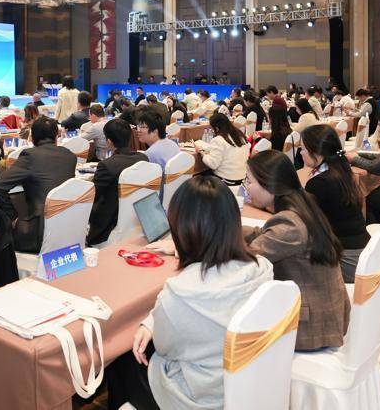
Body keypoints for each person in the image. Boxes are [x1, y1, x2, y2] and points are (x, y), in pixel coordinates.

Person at [107, 176, 273, 410]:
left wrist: (153, 323)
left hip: (199, 398)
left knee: (121, 358)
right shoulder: (261, 269)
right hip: (247, 384)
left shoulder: (182, 293)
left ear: (182, 230)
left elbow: (165, 348)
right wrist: (151, 322)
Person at [242, 150, 350, 351]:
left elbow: (245, 260)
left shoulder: (290, 225)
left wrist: (208, 241)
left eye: (249, 181)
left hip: (309, 328)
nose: (246, 187)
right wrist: (230, 229)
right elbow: (266, 234)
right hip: (326, 313)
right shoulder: (303, 204)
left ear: (270, 185)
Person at [0, 116, 77, 253]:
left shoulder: (30, 156)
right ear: (56, 136)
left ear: (33, 137)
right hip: (69, 226)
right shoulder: (70, 156)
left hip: (38, 232)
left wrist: (13, 217)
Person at [299, 125, 369, 282]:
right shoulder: (342, 170)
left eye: (303, 149)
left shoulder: (319, 183)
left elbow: (303, 219)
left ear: (316, 152)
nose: (301, 153)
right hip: (362, 248)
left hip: (346, 259)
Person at [88, 118, 149, 246]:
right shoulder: (143, 159)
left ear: (109, 141)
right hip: (138, 217)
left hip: (111, 222)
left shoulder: (107, 165)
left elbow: (92, 196)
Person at [194, 113, 248, 185]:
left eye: (212, 128)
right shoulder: (239, 135)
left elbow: (212, 164)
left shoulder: (219, 139)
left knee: (198, 176)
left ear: (216, 128)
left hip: (226, 179)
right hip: (242, 178)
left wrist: (202, 153)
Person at [265, 85, 291, 150]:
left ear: (271, 92)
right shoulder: (279, 98)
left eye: (267, 94)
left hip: (279, 126)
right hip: (283, 125)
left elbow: (275, 115)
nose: (267, 96)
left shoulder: (277, 100)